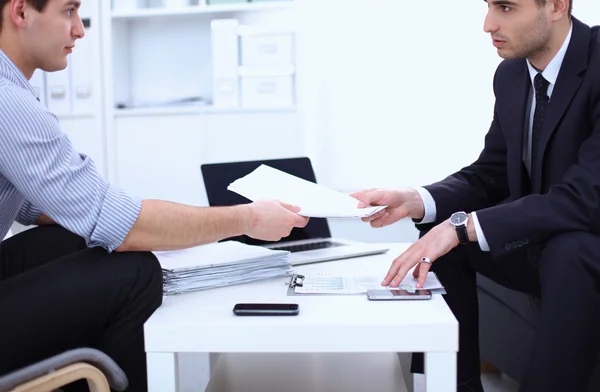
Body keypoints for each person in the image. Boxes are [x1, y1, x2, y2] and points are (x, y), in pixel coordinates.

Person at [0, 0, 309, 391]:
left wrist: (145, 220)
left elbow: (38, 204)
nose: (79, 30)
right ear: (21, 11)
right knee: (135, 272)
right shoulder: (7, 99)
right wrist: (247, 219)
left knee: (76, 238)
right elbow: (121, 226)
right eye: (69, 11)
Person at [352, 0, 600, 391]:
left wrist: (466, 226)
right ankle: (454, 385)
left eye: (505, 7)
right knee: (440, 236)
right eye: (488, 7)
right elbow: (494, 172)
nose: (488, 24)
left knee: (569, 250)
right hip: (546, 240)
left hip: (585, 242)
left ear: (556, 5)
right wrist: (419, 199)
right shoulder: (511, 74)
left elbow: (590, 195)